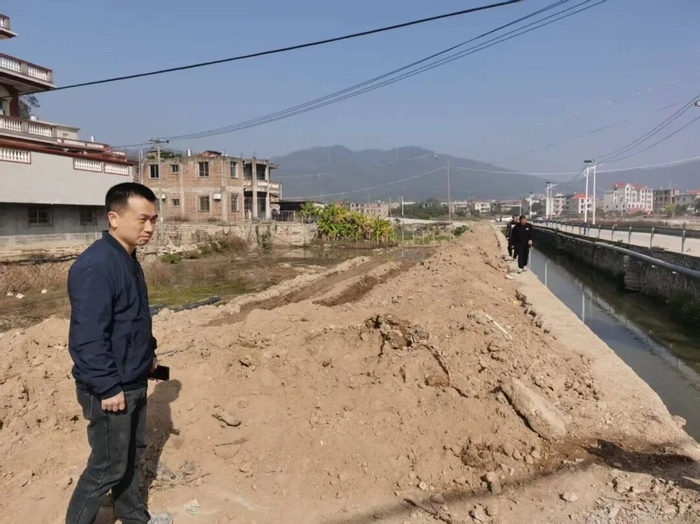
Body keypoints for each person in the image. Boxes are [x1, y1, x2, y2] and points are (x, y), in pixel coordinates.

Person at [65, 183, 172, 524]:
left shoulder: (127, 258)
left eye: (153, 220)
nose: (149, 228)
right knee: (106, 467)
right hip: (112, 388)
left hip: (133, 378)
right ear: (114, 218)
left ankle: (134, 517)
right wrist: (107, 386)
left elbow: (133, 318)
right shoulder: (97, 265)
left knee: (130, 456)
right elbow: (87, 336)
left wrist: (148, 355)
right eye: (142, 219)